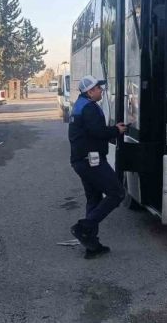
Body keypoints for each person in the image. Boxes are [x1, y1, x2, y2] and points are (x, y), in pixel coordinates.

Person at [68, 75, 127, 259]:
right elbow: (98, 132)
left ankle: (91, 245)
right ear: (89, 92)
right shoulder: (89, 108)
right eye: (98, 88)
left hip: (81, 161)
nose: (101, 90)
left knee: (93, 199)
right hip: (90, 161)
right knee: (116, 193)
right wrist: (116, 130)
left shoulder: (80, 105)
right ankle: (83, 227)